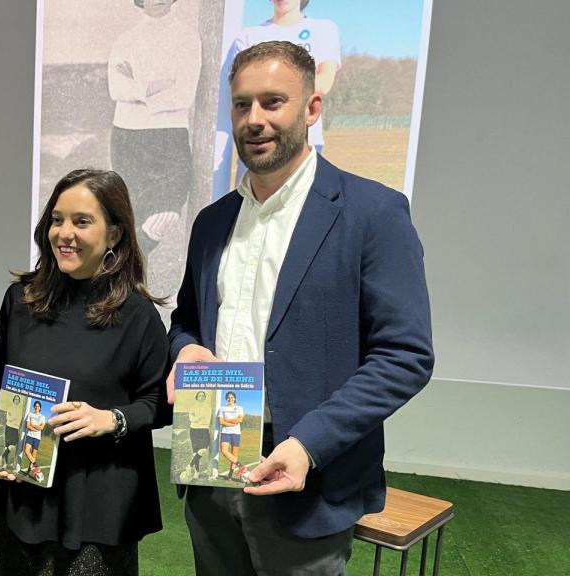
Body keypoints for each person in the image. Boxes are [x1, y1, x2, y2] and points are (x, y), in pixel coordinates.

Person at [168, 41, 433, 575]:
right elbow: (186, 322)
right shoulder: (213, 222)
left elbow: (405, 356)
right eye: (241, 105)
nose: (254, 120)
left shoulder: (373, 214)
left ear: (312, 108)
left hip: (307, 478)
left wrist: (309, 444)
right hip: (211, 460)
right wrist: (185, 347)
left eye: (273, 102)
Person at [0, 169, 170, 576]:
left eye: (82, 221)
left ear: (114, 234)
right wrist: (4, 435)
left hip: (98, 505)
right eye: (57, 219)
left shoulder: (137, 315)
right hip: (24, 496)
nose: (64, 233)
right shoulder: (21, 300)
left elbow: (158, 404)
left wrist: (111, 419)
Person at [213, 0, 341, 197]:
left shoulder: (323, 29)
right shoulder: (249, 35)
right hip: (257, 142)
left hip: (304, 141)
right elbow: (237, 87)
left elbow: (324, 82)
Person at [108, 0, 202, 255]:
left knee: (167, 212)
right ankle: (125, 281)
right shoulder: (125, 39)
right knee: (130, 215)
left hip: (168, 135)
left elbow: (183, 95)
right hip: (127, 135)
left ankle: (125, 261)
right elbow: (116, 88)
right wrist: (153, 86)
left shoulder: (187, 38)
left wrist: (138, 94)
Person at [216, 392, 246, 479]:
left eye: (232, 397)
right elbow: (221, 422)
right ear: (226, 398)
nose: (230, 399)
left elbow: (239, 420)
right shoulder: (222, 408)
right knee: (224, 451)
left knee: (234, 454)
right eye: (228, 397)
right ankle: (241, 466)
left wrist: (227, 420)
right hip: (225, 432)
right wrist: (232, 423)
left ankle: (230, 474)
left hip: (236, 433)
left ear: (235, 398)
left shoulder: (239, 408)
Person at [22, 400, 46, 477]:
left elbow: (41, 427)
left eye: (38, 406)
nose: (36, 407)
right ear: (34, 406)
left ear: (40, 408)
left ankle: (28, 472)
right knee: (26, 451)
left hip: (37, 438)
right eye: (35, 405)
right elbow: (27, 425)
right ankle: (36, 466)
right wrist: (36, 427)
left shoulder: (42, 417)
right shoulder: (30, 414)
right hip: (30, 435)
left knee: (33, 455)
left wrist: (33, 425)